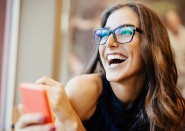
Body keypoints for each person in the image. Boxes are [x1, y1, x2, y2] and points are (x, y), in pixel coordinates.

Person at [15, 1, 185, 131]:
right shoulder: (84, 91)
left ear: (152, 44)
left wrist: (72, 122)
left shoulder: (172, 109)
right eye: (104, 34)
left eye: (125, 32)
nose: (109, 43)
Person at [165, 10, 185, 97]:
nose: (174, 22)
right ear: (168, 23)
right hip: (175, 74)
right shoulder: (166, 37)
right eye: (171, 21)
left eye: (175, 19)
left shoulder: (183, 31)